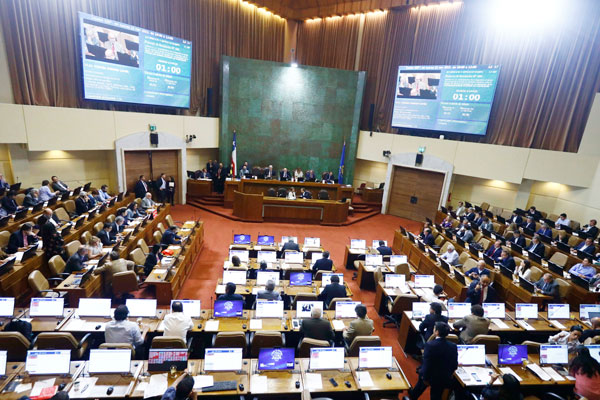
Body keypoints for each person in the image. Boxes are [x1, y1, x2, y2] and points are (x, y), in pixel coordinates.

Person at [409, 322, 457, 400]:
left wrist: (425, 378)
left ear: (437, 332)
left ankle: (413, 396)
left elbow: (427, 364)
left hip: (430, 376)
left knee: (421, 377)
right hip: (444, 377)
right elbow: (454, 364)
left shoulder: (430, 345)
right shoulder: (453, 346)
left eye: (434, 328)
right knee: (436, 396)